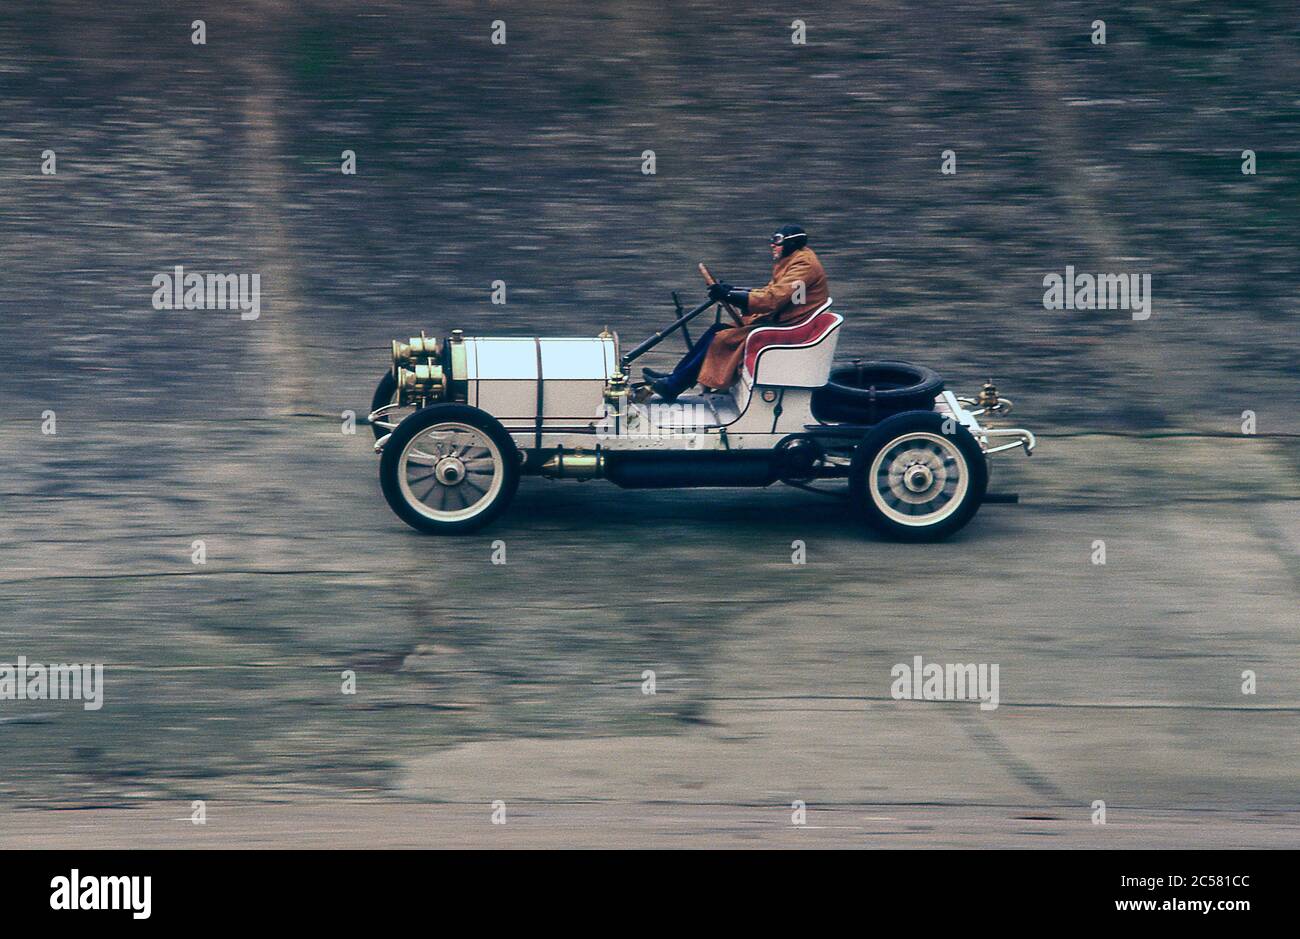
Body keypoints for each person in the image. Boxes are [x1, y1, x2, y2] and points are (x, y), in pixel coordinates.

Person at [647, 224, 830, 400]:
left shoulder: (803, 265)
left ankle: (673, 386)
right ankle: (675, 378)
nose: (772, 245)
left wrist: (729, 295)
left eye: (777, 241)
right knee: (716, 329)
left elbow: (772, 299)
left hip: (789, 327)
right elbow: (772, 291)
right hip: (782, 320)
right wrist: (733, 291)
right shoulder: (794, 260)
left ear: (791, 244)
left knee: (721, 338)